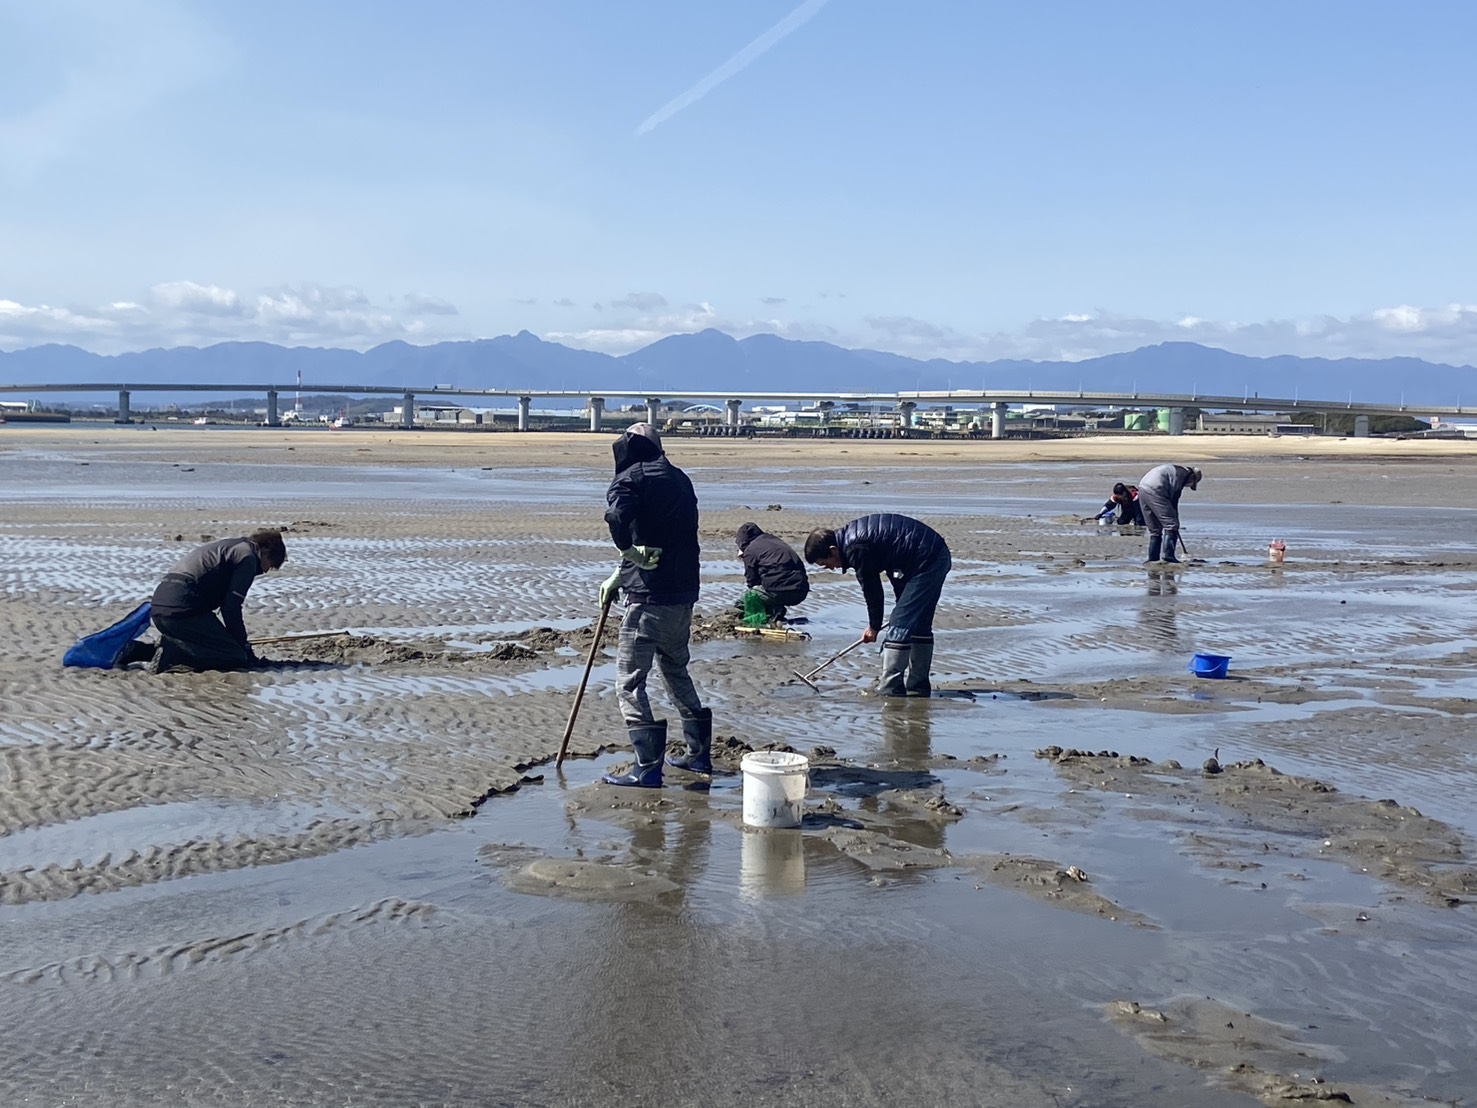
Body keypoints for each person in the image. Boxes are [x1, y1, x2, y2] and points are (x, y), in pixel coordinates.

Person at [598, 422, 711, 786]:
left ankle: (647, 768)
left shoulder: (631, 479)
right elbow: (658, 535)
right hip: (683, 595)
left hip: (649, 598)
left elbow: (619, 519)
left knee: (629, 682)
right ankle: (698, 756)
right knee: (676, 669)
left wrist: (627, 552)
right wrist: (623, 569)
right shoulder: (680, 479)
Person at [803, 513, 951, 697]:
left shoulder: (855, 548)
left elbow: (872, 589)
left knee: (899, 624)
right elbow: (893, 558)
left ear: (833, 550)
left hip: (927, 560)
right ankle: (917, 687)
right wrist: (900, 603)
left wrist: (874, 627)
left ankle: (890, 688)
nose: (830, 568)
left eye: (826, 564)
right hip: (930, 554)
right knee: (918, 624)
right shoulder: (853, 538)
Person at [148, 529, 287, 672]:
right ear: (265, 550)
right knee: (235, 656)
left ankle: (137, 651)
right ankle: (173, 651)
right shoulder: (248, 556)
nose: (265, 571)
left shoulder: (230, 546)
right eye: (270, 565)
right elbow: (231, 607)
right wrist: (242, 645)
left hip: (160, 608)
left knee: (210, 645)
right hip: (183, 609)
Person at [734, 522, 809, 622]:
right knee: (769, 589)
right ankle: (775, 611)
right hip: (801, 591)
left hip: (780, 590)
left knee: (744, 600)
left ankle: (768, 614)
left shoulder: (750, 550)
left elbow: (752, 580)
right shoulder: (773, 540)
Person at [1137, 464, 1202, 564]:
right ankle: (1169, 556)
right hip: (1157, 489)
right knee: (1171, 525)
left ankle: (1153, 558)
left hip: (1142, 488)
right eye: (1191, 483)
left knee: (1155, 529)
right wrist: (1175, 519)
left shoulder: (1177, 471)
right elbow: (1174, 499)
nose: (1188, 485)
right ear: (1192, 477)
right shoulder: (1182, 474)